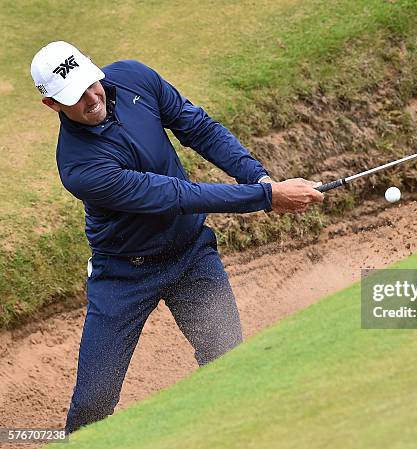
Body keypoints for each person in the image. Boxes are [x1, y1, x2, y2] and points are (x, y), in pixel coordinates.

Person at [30, 41, 324, 434]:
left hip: (190, 256)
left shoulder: (135, 78)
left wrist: (258, 177)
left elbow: (198, 127)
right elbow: (174, 195)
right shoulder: (80, 167)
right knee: (92, 404)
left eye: (90, 84)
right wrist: (266, 198)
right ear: (52, 104)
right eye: (74, 96)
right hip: (124, 276)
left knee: (228, 359)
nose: (91, 98)